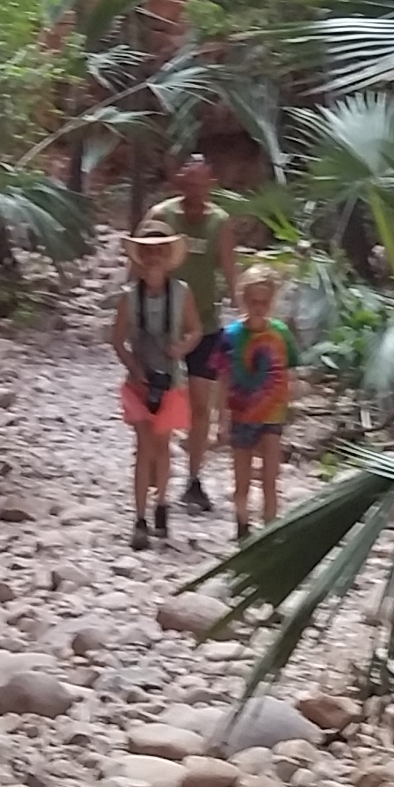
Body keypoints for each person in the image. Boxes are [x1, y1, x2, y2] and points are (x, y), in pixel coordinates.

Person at [145, 152, 238, 513]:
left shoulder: (219, 223)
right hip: (162, 324)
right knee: (161, 401)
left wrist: (246, 313)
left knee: (201, 405)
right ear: (180, 182)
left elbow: (229, 270)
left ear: (211, 184)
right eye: (190, 182)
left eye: (202, 183)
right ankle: (156, 471)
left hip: (206, 325)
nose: (196, 190)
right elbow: (140, 262)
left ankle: (195, 479)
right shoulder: (161, 216)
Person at [110, 223, 201, 549]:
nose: (153, 257)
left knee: (162, 447)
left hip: (170, 381)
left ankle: (161, 504)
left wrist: (182, 347)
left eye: (159, 251)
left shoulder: (182, 293)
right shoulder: (128, 298)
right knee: (144, 447)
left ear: (168, 256)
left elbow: (195, 330)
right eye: (148, 251)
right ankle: (139, 518)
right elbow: (117, 339)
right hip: (140, 383)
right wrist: (134, 369)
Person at [224, 263, 299, 540]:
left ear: (272, 302)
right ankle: (242, 527)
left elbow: (289, 370)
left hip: (273, 414)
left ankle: (270, 531)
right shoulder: (231, 335)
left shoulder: (280, 333)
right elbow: (223, 376)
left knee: (270, 477)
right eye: (253, 302)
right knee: (242, 480)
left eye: (264, 302)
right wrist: (220, 417)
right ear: (244, 300)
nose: (259, 308)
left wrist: (289, 401)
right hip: (241, 412)